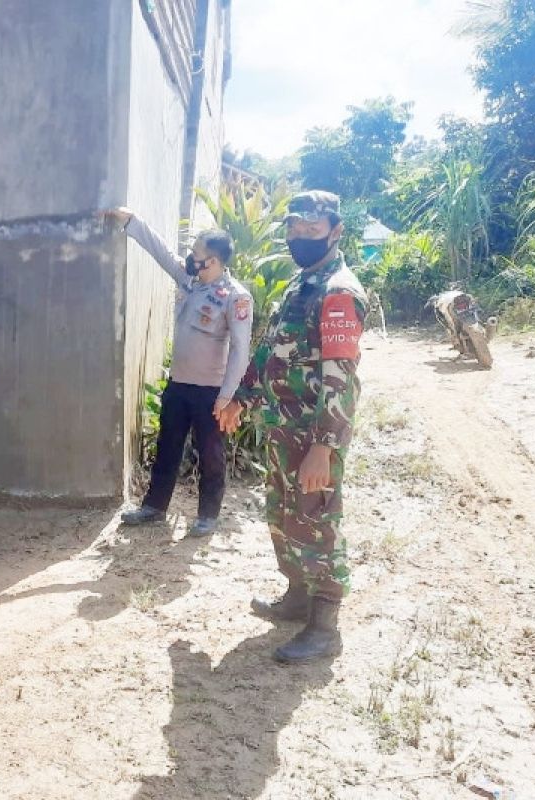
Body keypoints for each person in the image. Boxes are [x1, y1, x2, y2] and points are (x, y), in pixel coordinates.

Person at [217, 190, 368, 663]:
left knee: (317, 520)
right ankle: (298, 597)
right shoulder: (299, 284)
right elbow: (270, 353)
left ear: (335, 231)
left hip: (313, 434)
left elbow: (341, 381)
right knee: (284, 516)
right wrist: (242, 397)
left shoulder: (338, 292)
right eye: (294, 230)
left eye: (312, 230)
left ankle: (325, 627)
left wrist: (324, 447)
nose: (300, 238)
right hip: (283, 430)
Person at [103, 207, 253, 536]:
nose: (189, 258)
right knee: (167, 446)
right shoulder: (190, 281)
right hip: (179, 386)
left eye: (196, 254)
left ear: (212, 261)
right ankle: (154, 507)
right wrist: (132, 221)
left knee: (211, 455)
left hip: (211, 392)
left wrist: (227, 396)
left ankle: (207, 516)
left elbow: (241, 350)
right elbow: (162, 252)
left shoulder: (236, 297)